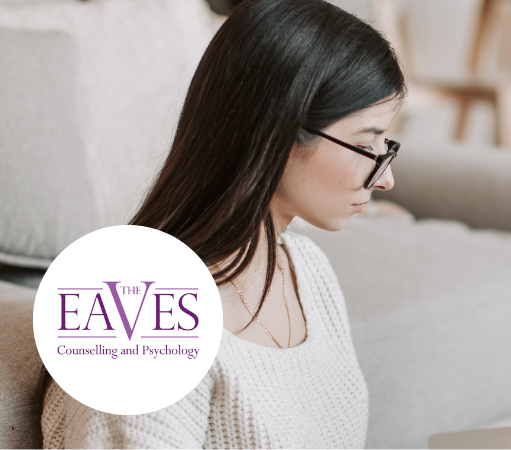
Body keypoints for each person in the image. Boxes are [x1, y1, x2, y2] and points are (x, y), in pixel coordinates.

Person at [40, 0, 406, 447]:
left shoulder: (309, 273)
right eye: (367, 145)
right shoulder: (135, 320)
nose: (386, 178)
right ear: (278, 131)